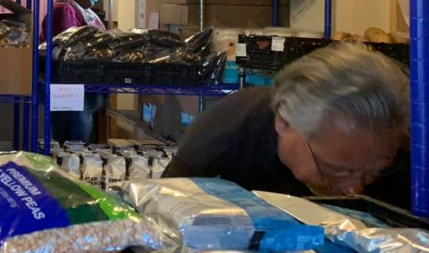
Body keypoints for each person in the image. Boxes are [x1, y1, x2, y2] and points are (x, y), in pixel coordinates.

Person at [164, 42, 412, 206]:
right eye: (337, 171)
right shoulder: (227, 131)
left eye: (372, 173)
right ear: (284, 123)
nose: (354, 189)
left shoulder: (403, 147)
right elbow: (162, 212)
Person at [45, 0, 106, 143]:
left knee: (73, 142)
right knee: (73, 142)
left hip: (80, 88)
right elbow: (68, 49)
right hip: (72, 88)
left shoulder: (81, 10)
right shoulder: (65, 10)